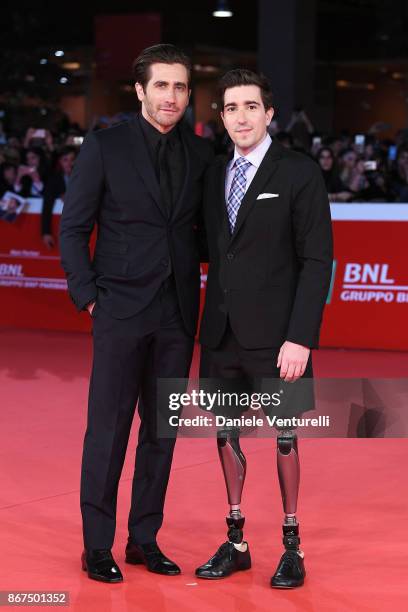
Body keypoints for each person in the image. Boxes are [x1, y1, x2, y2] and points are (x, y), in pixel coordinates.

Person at [59, 44, 213, 583]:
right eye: (162, 86)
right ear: (141, 90)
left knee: (162, 432)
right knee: (108, 429)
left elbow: (206, 233)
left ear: (189, 95)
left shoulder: (201, 156)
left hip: (176, 312)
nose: (171, 96)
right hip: (120, 308)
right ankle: (96, 545)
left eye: (180, 87)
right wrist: (87, 293)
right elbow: (73, 226)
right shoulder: (105, 146)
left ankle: (143, 538)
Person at [196, 69, 333, 587]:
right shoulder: (213, 175)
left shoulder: (299, 172)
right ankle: (236, 542)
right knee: (225, 435)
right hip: (221, 334)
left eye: (251, 106)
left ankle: (291, 548)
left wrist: (301, 336)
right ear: (222, 117)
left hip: (280, 341)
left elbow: (318, 260)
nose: (241, 117)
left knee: (285, 440)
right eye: (231, 108)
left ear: (269, 113)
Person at [41, 146, 77, 249]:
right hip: (62, 227)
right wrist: (46, 232)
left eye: (72, 159)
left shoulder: (86, 178)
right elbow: (47, 207)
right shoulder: (53, 180)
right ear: (60, 162)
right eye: (65, 160)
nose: (69, 163)